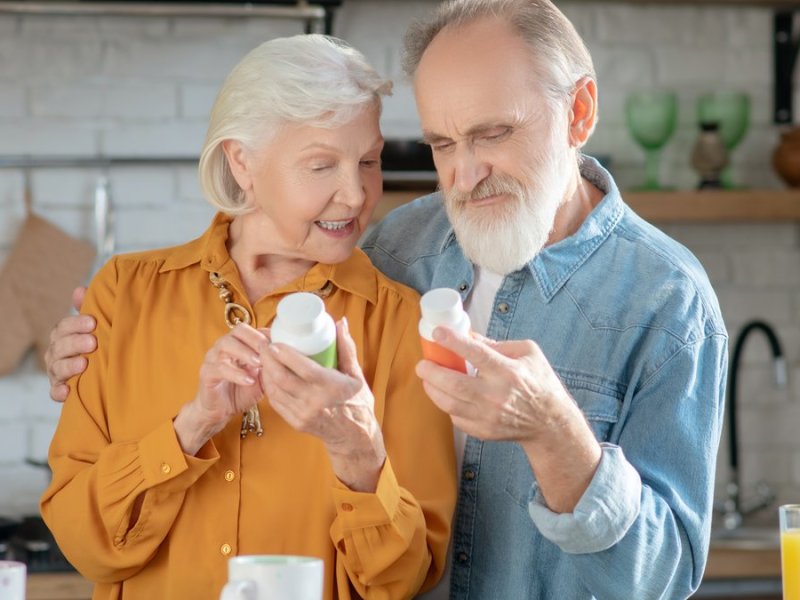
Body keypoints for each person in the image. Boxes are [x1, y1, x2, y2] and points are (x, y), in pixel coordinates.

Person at [45, 1, 728, 599]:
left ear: (578, 111)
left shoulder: (668, 302)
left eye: (493, 134)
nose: (464, 173)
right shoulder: (397, 247)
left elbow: (661, 579)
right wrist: (98, 351)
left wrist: (556, 432)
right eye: (441, 144)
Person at [39, 34, 456, 600]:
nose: (357, 194)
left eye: (368, 160)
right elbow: (84, 544)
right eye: (320, 165)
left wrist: (359, 454)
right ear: (243, 162)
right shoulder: (124, 295)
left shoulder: (398, 324)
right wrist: (190, 429)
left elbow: (401, 581)